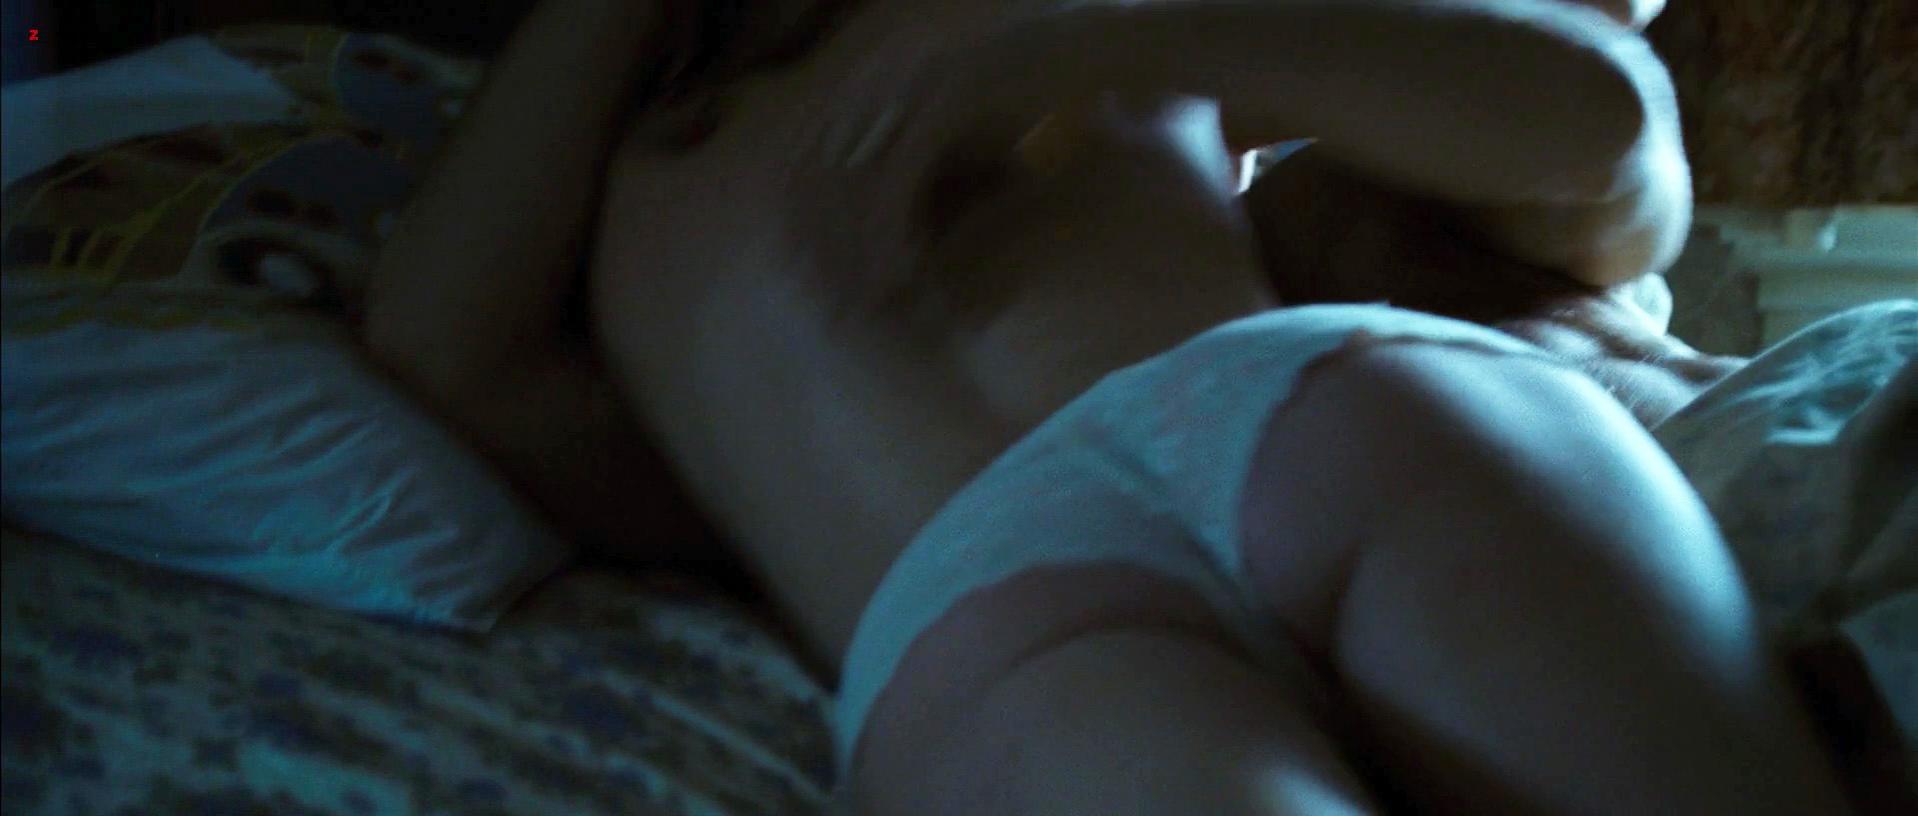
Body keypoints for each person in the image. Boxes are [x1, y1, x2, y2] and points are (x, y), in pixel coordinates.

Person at [364, 0, 1858, 813]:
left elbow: (1607, 125)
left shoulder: (1069, 24)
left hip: (1265, 434)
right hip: (1028, 579)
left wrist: (1097, 36)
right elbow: (436, 350)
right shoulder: (612, 183)